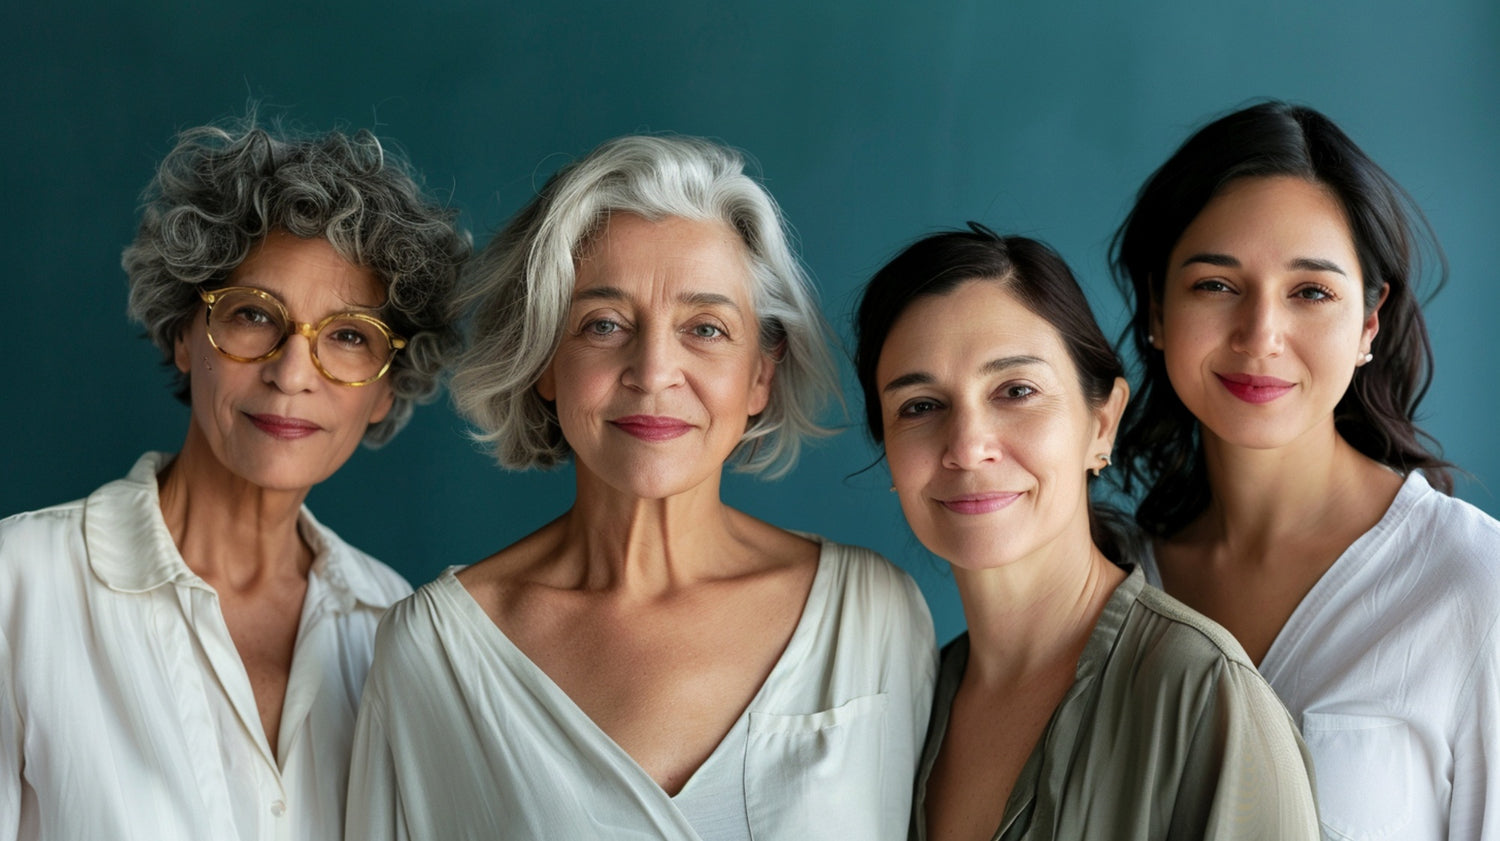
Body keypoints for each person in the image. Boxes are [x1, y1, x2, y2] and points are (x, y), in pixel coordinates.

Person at [345, 134, 937, 841]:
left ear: (761, 373)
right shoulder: (433, 651)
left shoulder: (872, 615)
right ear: (543, 359)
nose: (654, 370)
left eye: (706, 328)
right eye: (605, 324)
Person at [0, 118, 468, 841]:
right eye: (254, 316)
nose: (290, 374)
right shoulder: (18, 585)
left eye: (348, 335)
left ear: (386, 389)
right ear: (184, 334)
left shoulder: (393, 624)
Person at [1112, 100, 1500, 840]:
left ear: (1368, 322)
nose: (1261, 335)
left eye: (1311, 292)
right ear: (1156, 307)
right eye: (1215, 285)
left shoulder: (1475, 587)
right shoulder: (1114, 583)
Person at [854, 226, 1320, 840]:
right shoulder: (906, 701)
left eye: (1016, 391)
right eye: (919, 406)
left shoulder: (1204, 695)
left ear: (1102, 424)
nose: (966, 448)